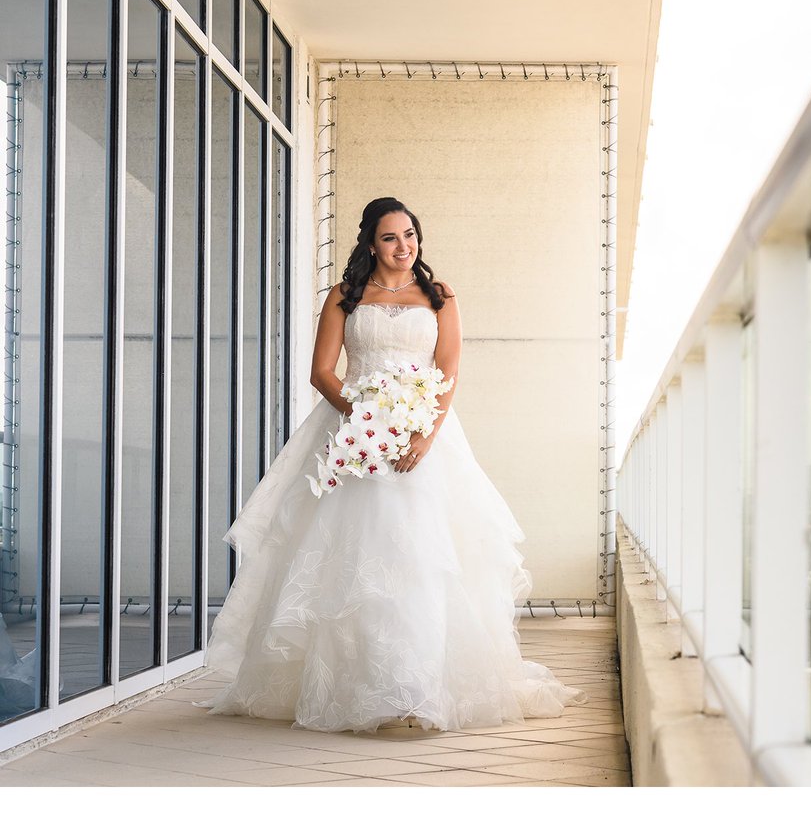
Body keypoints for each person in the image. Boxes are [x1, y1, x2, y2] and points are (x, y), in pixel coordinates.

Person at [197, 196, 587, 733]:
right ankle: (354, 687)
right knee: (349, 563)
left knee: (423, 560)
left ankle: (416, 688)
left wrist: (424, 436)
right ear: (370, 243)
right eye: (390, 238)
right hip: (353, 439)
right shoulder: (344, 296)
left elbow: (447, 370)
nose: (404, 247)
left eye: (410, 235)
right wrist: (364, 420)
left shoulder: (441, 296)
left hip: (423, 440)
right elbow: (322, 372)